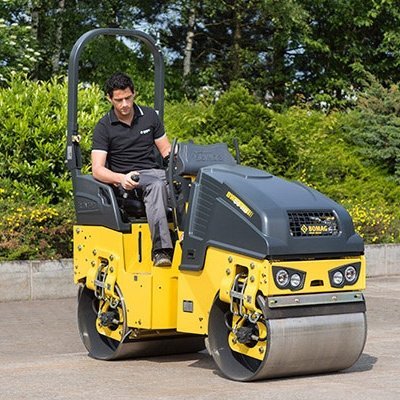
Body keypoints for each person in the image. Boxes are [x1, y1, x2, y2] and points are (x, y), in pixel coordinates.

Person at [91, 72, 173, 266]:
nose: (125, 104)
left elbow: (166, 151)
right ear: (109, 99)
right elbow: (97, 169)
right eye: (119, 100)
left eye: (128, 98)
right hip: (130, 179)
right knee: (156, 185)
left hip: (155, 173)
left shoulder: (149, 116)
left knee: (192, 183)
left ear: (134, 93)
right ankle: (161, 250)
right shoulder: (104, 126)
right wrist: (121, 178)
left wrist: (180, 170)